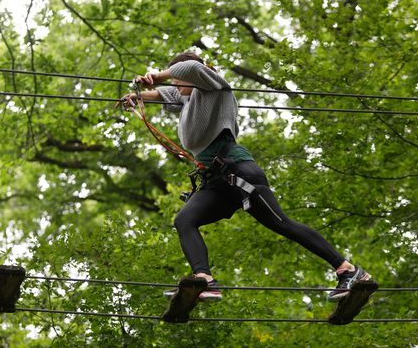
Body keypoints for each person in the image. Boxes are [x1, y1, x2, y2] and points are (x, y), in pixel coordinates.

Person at [127, 51, 371, 302]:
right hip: (217, 182)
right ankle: (205, 279)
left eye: (178, 78)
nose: (175, 85)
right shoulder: (189, 98)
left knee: (281, 223)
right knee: (185, 220)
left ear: (194, 74)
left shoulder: (214, 86)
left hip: (239, 172)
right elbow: (168, 93)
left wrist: (157, 75)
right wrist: (138, 95)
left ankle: (349, 270)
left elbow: (191, 69)